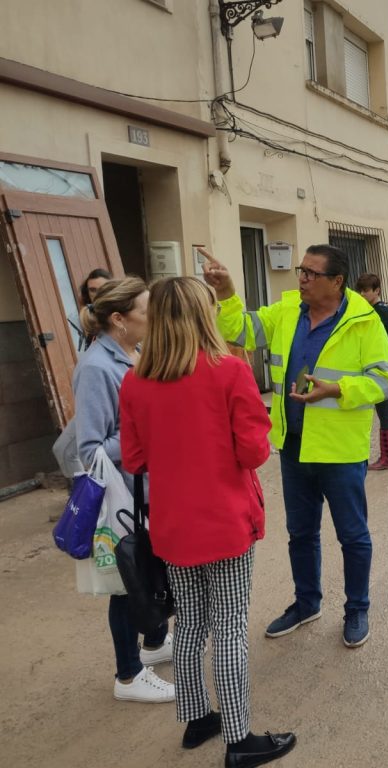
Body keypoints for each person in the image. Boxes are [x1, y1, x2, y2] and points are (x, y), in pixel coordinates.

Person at [120, 276, 296, 767]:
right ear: (204, 315)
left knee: (193, 624)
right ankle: (239, 739)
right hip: (225, 520)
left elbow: (134, 458)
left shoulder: (135, 380)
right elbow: (254, 452)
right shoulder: (229, 371)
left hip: (173, 525)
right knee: (231, 627)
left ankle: (197, 719)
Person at [201, 245, 388, 648]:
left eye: (311, 273)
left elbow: (384, 381)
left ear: (336, 282)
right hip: (293, 444)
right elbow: (239, 330)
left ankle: (357, 609)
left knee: (353, 535)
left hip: (340, 450)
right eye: (300, 271)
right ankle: (307, 603)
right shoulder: (287, 311)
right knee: (300, 533)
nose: (302, 279)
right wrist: (227, 292)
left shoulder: (364, 322)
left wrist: (338, 388)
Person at [72, 276, 174, 703]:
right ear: (119, 319)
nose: (155, 319)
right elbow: (90, 448)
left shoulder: (134, 353)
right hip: (123, 494)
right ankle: (128, 676)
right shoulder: (96, 367)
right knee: (126, 582)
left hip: (147, 487)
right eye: (147, 312)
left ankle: (153, 644)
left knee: (151, 569)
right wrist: (145, 430)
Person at [356, 273, 388, 470]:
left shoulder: (377, 314)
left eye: (366, 291)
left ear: (376, 290)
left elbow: (376, 343)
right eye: (359, 291)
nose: (361, 294)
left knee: (384, 411)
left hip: (383, 365)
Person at [71, 268, 112, 350]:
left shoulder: (124, 313)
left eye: (102, 288)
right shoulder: (86, 317)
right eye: (93, 290)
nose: (97, 294)